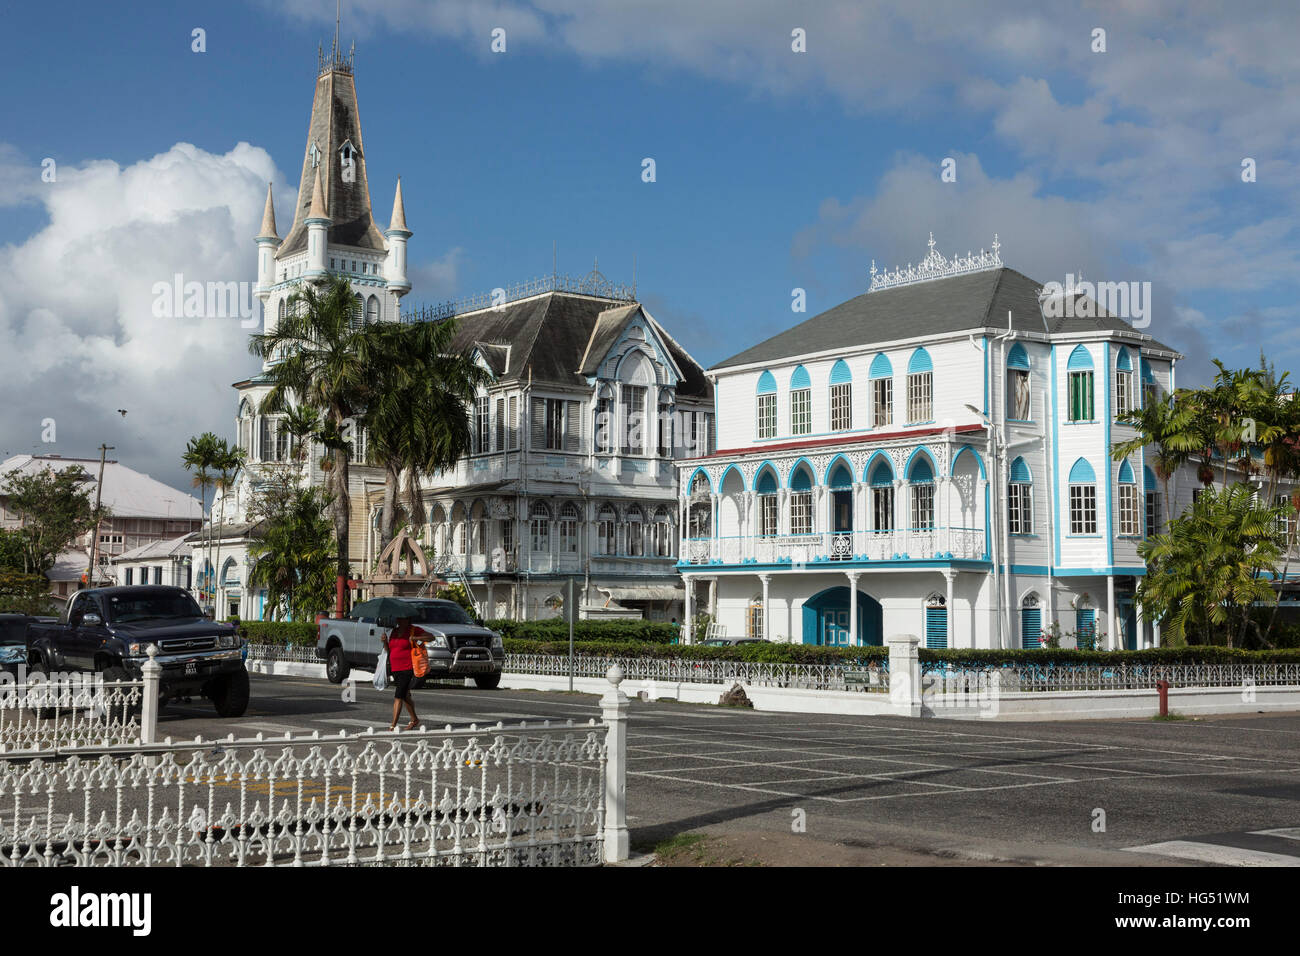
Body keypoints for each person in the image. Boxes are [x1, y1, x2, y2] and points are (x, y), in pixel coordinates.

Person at [383, 613, 426, 731]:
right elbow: (389, 650)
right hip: (395, 668)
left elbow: (430, 637)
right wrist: (385, 642)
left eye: (402, 618)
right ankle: (414, 719)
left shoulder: (414, 630)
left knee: (398, 696)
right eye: (398, 618)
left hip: (407, 667)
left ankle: (393, 725)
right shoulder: (394, 631)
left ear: (408, 620)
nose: (399, 620)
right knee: (405, 695)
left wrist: (415, 638)